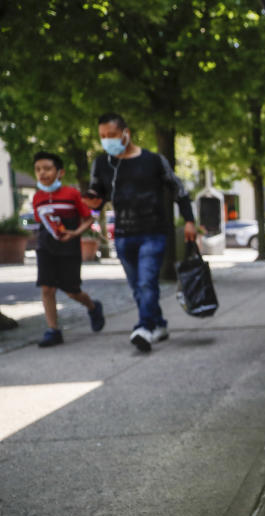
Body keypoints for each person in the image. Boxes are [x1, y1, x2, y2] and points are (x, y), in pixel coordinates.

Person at [83, 113, 196, 353]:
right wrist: (93, 202)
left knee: (146, 282)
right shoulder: (102, 163)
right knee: (137, 287)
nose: (107, 140)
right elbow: (98, 194)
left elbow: (178, 189)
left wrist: (189, 220)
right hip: (123, 235)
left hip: (153, 232)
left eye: (111, 135)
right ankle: (160, 324)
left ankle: (144, 327)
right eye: (102, 136)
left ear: (126, 133)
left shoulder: (154, 160)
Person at [31, 151, 105, 347]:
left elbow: (89, 217)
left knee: (72, 290)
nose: (42, 173)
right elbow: (42, 223)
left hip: (69, 248)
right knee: (47, 288)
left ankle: (93, 306)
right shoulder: (37, 197)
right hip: (45, 247)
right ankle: (53, 330)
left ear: (60, 172)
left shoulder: (71, 194)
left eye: (47, 168)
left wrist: (75, 232)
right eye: (38, 169)